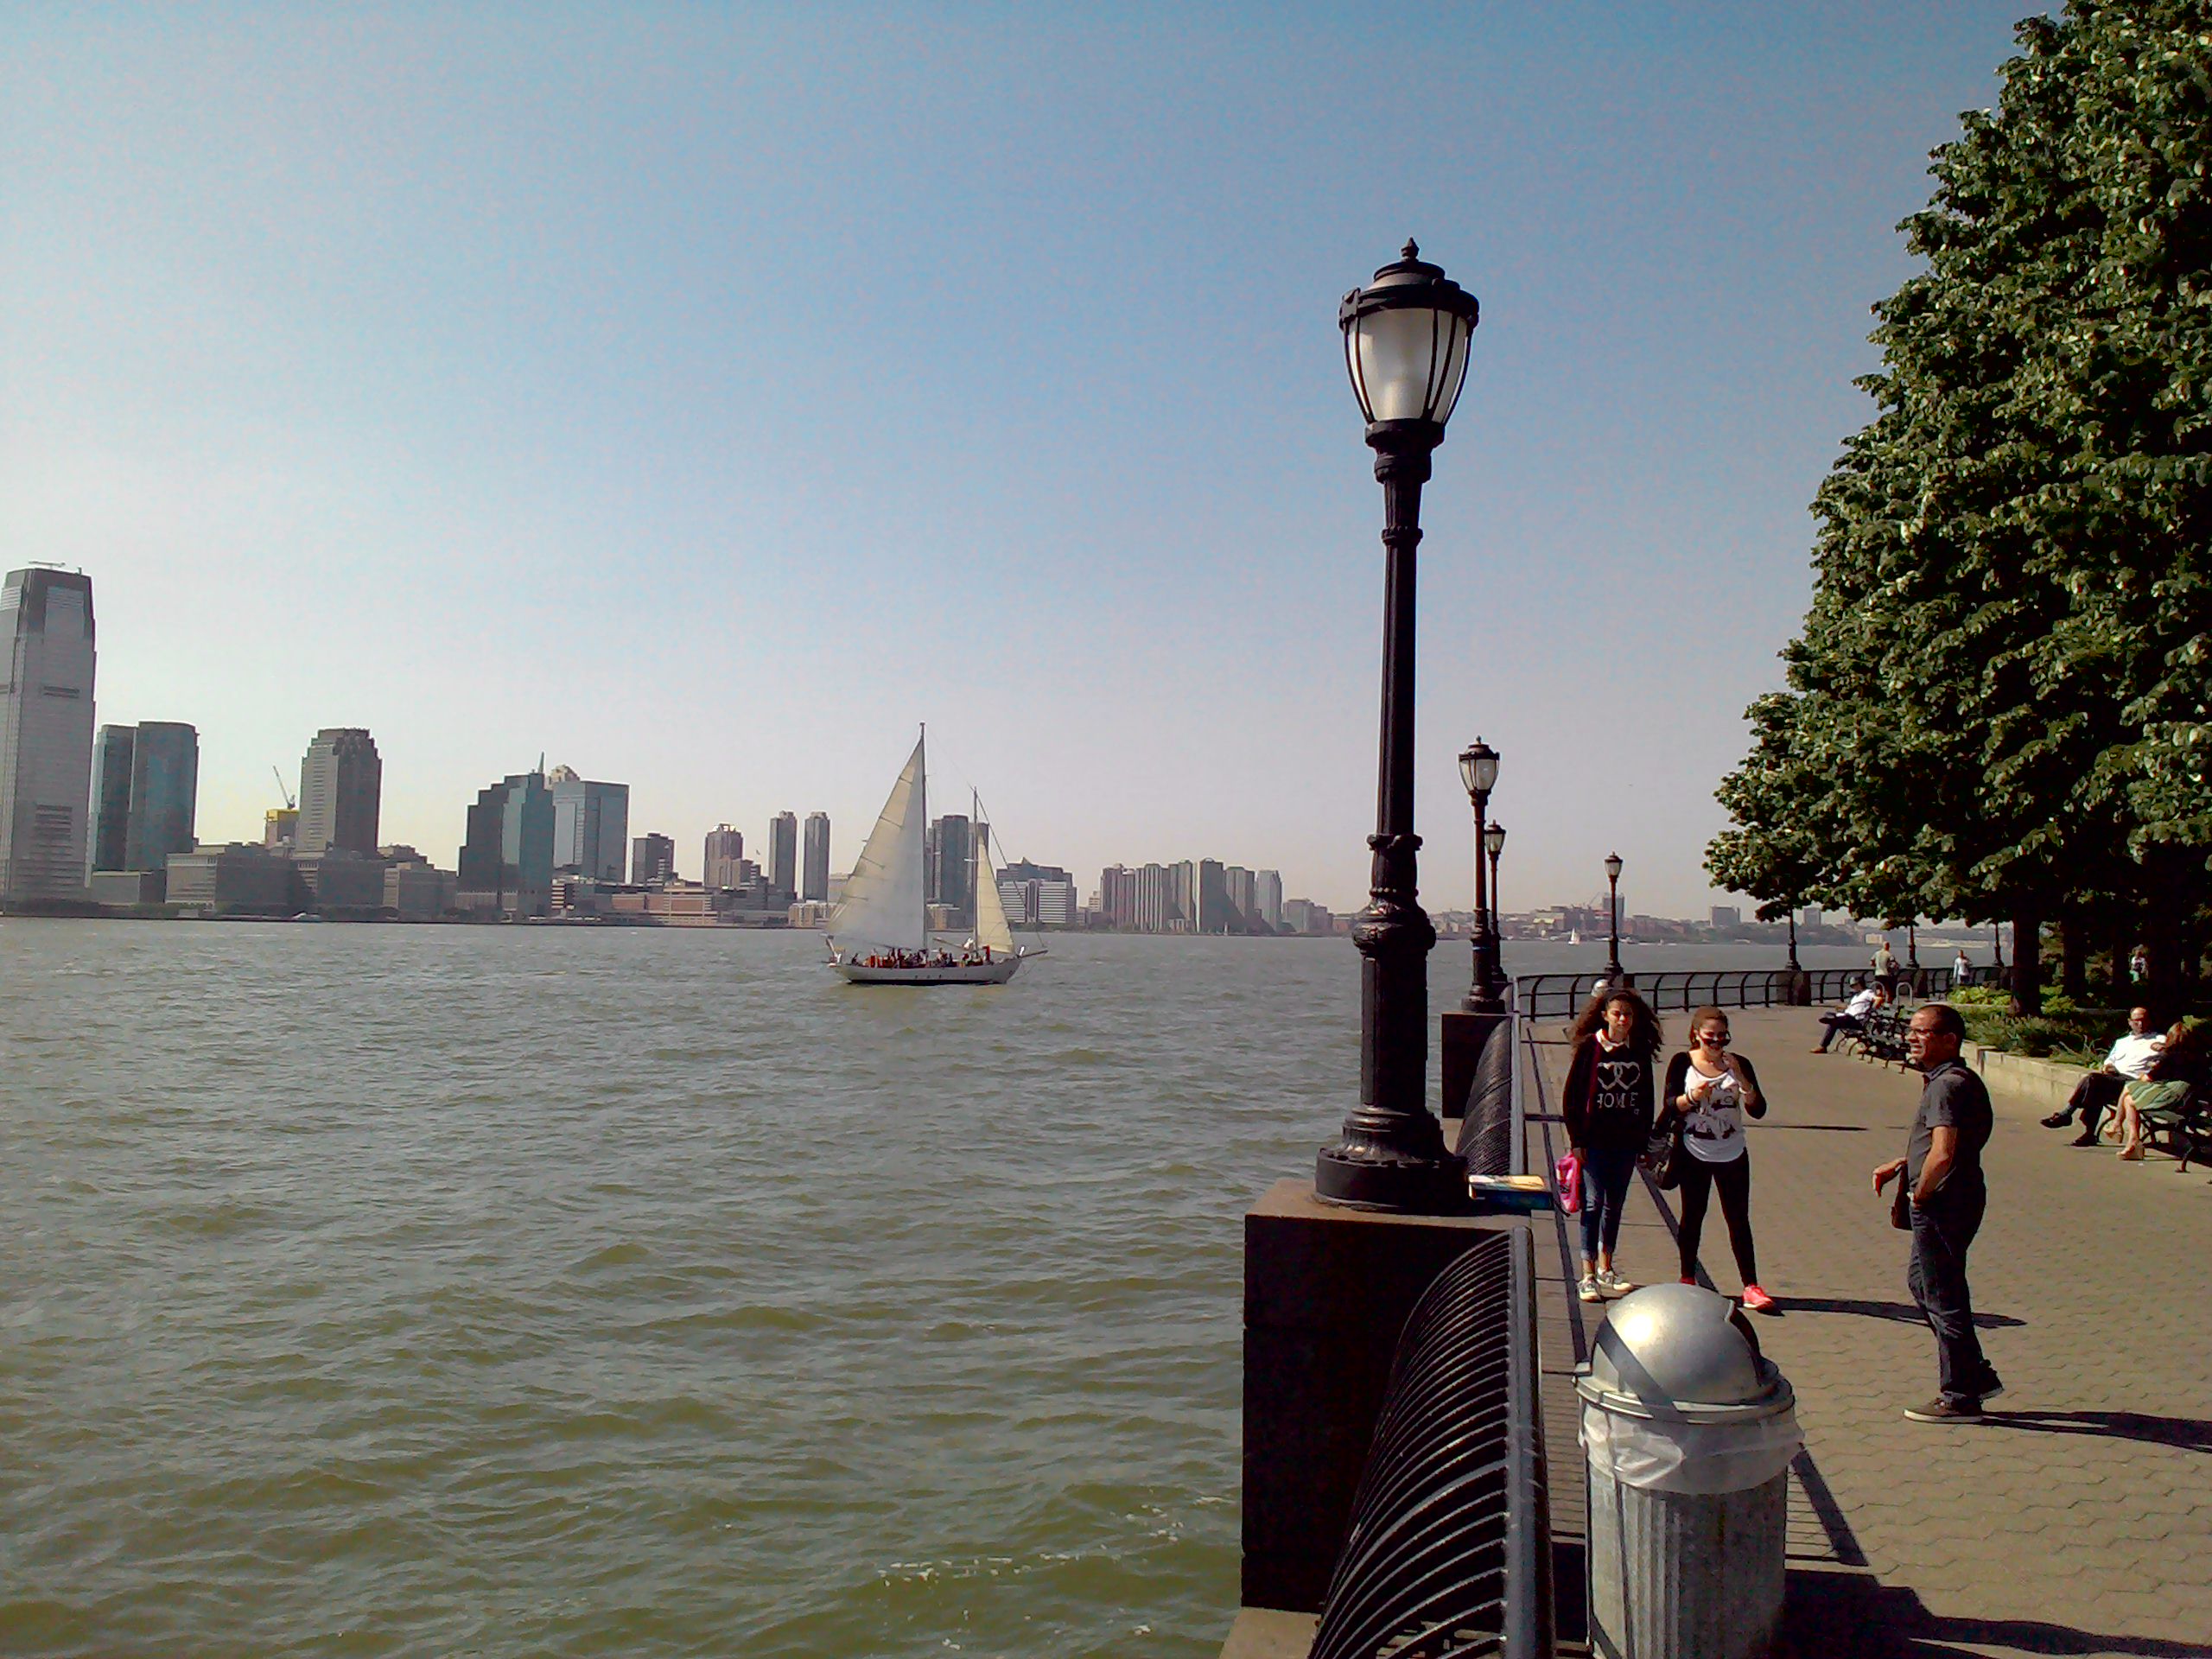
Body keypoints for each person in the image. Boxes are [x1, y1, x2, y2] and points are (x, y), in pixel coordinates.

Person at [1872, 1003, 2000, 1421]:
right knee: (1923, 1284)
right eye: (1910, 1030)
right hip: (1955, 1197)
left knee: (1944, 1296)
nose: (1911, 1038)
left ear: (1949, 1040)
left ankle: (1960, 1394)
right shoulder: (1953, 1080)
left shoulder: (1947, 1086)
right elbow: (1946, 1144)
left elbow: (1943, 1153)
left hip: (1943, 1202)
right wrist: (1904, 1162)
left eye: (1922, 1032)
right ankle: (1974, 1372)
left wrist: (1920, 1195)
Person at [1665, 1007, 1775, 1313]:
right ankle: (1687, 1278)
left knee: (1738, 1218)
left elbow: (1758, 1109)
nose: (1716, 1044)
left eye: (1722, 1038)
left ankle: (1751, 1286)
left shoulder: (1739, 1064)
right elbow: (1670, 1104)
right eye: (1710, 1037)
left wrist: (1743, 1081)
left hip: (1733, 1151)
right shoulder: (1682, 1063)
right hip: (1694, 1150)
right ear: (1696, 1035)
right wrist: (1692, 1097)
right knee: (1693, 1215)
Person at [1561, 988, 1662, 1304]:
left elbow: (1646, 1098)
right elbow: (1572, 1097)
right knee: (1593, 1203)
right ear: (1605, 1015)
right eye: (1617, 1013)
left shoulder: (1638, 1050)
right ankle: (1587, 1274)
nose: (1622, 1019)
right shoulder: (1590, 1048)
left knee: (1614, 1204)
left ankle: (1607, 1267)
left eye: (1628, 1014)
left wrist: (1644, 1141)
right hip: (1594, 1141)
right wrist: (1577, 1140)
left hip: (1626, 1141)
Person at [2038, 1007, 2163, 1142]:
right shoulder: (2122, 1042)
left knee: (2094, 1080)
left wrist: (2162, 1051)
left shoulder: (2159, 1040)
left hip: (2135, 1083)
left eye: (2144, 1020)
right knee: (2095, 1088)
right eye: (2137, 1021)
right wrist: (2107, 1067)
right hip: (2115, 1079)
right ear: (2130, 1022)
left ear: (2149, 1021)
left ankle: (2068, 1114)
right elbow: (2110, 1060)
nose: (2141, 1024)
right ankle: (2088, 1133)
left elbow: (2169, 1056)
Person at [2113, 1023, 2208, 1160]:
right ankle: (2125, 1134)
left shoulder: (2170, 1057)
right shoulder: (2199, 1057)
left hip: (2174, 1095)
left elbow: (2147, 1078)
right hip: (2189, 1097)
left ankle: (2131, 1140)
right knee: (2130, 1091)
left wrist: (2147, 1070)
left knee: (2130, 1097)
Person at [1813, 977, 1885, 1054]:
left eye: (1854, 985)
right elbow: (1852, 1007)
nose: (1853, 987)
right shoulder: (1856, 996)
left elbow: (1878, 999)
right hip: (1848, 1016)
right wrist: (1843, 1007)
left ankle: (1823, 1046)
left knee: (1833, 1023)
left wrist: (1872, 1009)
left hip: (1857, 1019)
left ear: (1860, 984)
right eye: (1851, 986)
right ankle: (1831, 1019)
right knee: (1829, 1015)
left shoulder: (1868, 992)